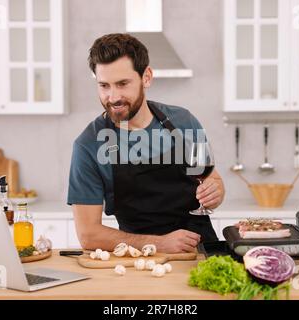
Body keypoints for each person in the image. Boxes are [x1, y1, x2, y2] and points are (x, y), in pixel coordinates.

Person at [67, 33, 225, 253]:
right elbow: (88, 235)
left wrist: (216, 192)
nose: (113, 97)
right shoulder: (89, 145)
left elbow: (210, 179)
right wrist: (159, 244)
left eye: (123, 84)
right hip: (139, 260)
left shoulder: (184, 122)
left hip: (202, 252)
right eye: (104, 86)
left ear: (146, 77)